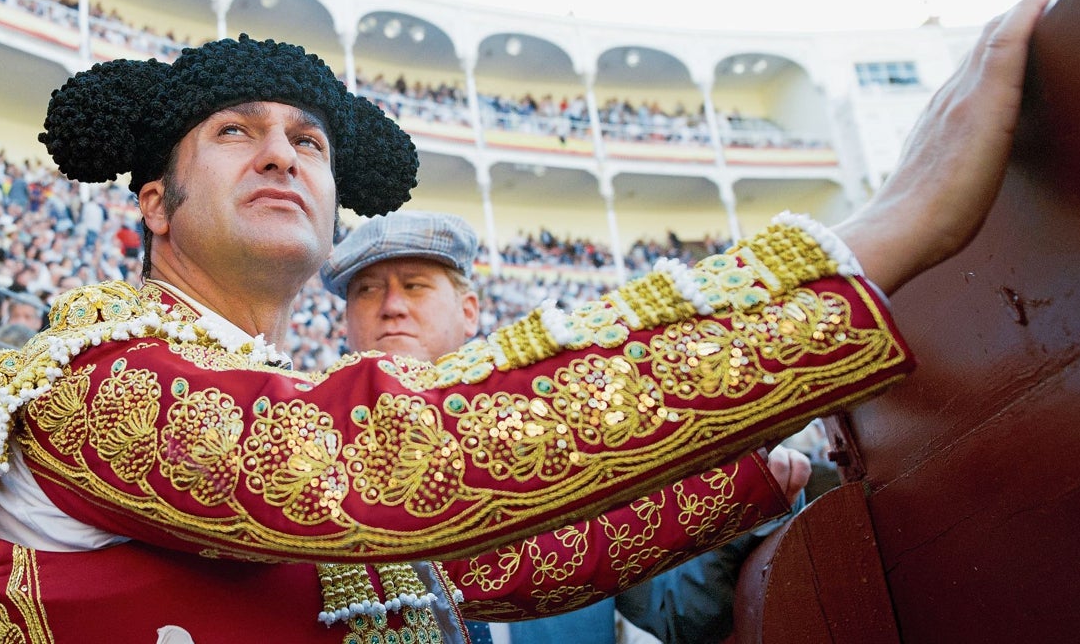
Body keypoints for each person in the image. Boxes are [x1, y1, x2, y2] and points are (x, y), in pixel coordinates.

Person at [0, 0, 1054, 644]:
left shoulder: (262, 418)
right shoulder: (95, 372)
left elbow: (503, 566)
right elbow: (386, 469)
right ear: (154, 207)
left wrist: (759, 468)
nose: (282, 149)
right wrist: (873, 241)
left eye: (308, 141)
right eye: (235, 132)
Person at [323, 210, 812, 643]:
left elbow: (679, 613)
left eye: (414, 284)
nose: (391, 305)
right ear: (345, 322)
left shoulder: (563, 436)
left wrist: (743, 497)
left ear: (468, 312)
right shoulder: (309, 452)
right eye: (367, 290)